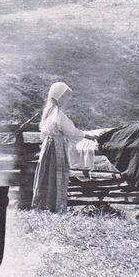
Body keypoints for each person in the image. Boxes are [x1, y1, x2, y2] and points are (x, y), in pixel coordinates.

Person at [31, 82, 90, 213]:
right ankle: (55, 206)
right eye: (66, 97)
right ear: (60, 97)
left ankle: (42, 204)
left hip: (48, 146)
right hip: (56, 147)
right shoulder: (57, 114)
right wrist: (87, 136)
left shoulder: (48, 113)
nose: (68, 100)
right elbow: (71, 131)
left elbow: (43, 134)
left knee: (46, 174)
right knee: (56, 175)